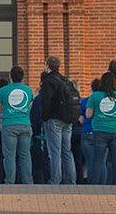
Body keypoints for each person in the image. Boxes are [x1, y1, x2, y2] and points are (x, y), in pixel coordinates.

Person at [36, 56, 79, 185]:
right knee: (67, 150)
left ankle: (55, 179)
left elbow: (46, 101)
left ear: (47, 66)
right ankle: (71, 180)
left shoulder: (49, 81)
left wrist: (44, 117)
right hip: (68, 119)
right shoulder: (65, 80)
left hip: (54, 119)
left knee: (55, 151)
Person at [86, 71, 116, 186]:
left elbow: (88, 114)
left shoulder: (95, 96)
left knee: (98, 160)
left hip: (100, 130)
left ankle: (94, 185)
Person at [0, 67, 33, 184]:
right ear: (22, 77)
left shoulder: (3, 90)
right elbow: (29, 105)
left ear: (10, 77)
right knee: (25, 154)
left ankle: (9, 181)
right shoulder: (28, 90)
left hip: (9, 124)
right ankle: (27, 181)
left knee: (9, 155)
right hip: (25, 124)